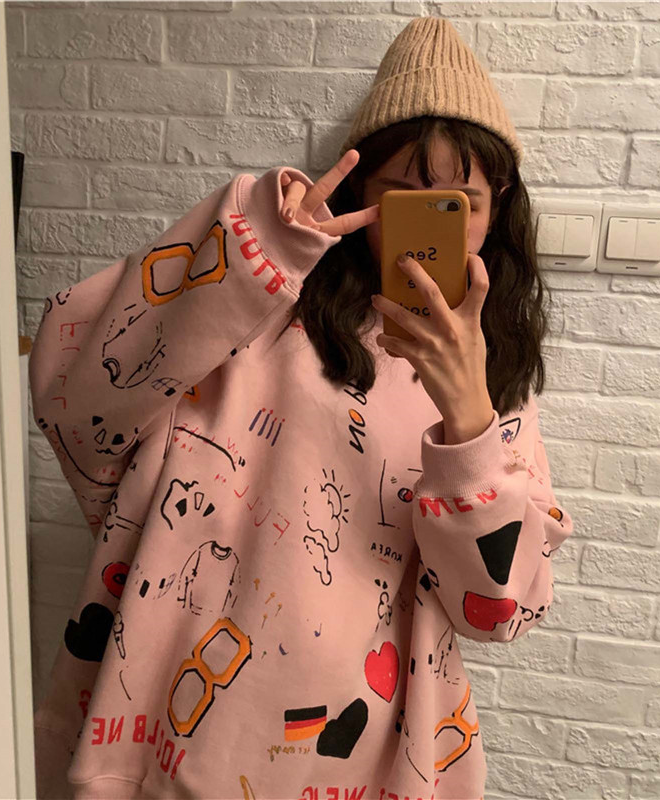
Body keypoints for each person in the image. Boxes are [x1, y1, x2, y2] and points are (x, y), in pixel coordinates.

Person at [30, 16, 574, 800]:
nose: (428, 225)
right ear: (360, 192)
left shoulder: (499, 385)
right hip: (172, 740)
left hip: (364, 762)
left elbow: (496, 611)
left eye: (461, 203)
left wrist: (467, 418)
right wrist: (259, 245)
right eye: (400, 196)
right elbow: (79, 398)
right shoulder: (262, 313)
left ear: (499, 210)